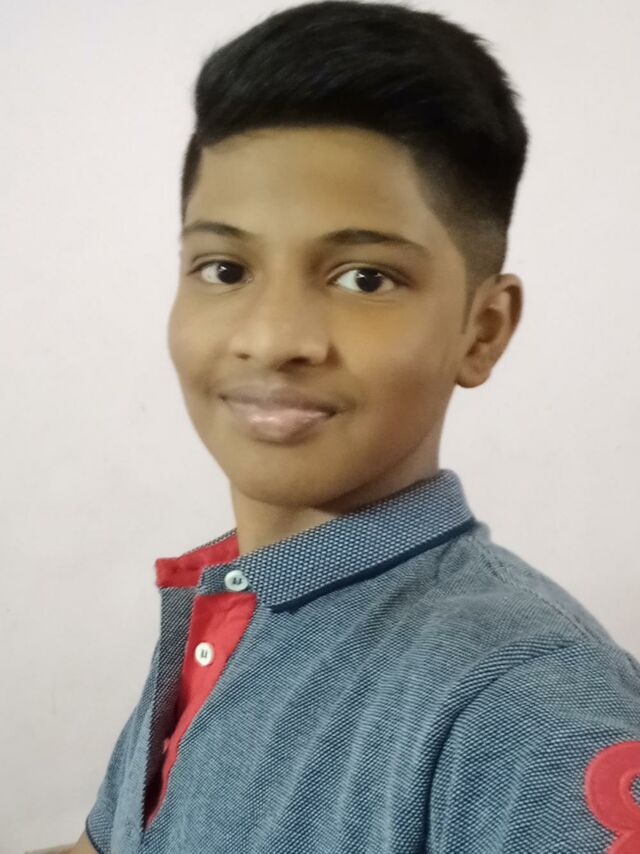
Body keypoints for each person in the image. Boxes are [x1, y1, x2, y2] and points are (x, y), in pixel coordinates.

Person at [68, 1, 640, 852]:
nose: (272, 338)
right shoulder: (230, 600)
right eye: (223, 268)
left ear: (482, 330)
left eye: (364, 278)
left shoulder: (525, 704)